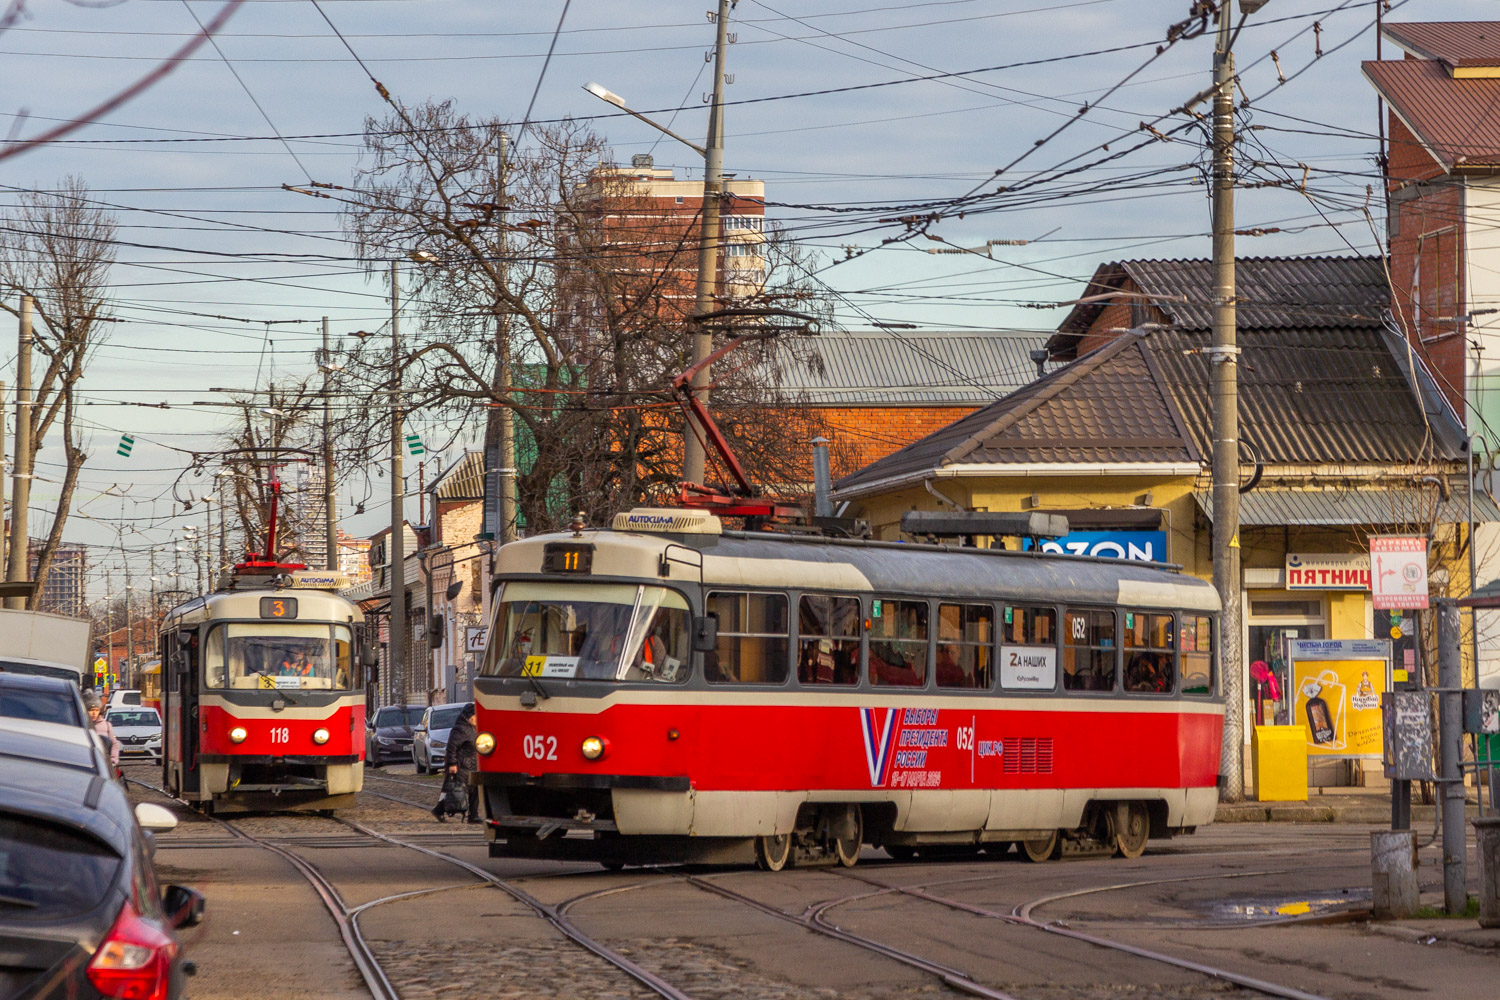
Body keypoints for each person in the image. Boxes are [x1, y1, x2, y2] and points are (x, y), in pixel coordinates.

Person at [434, 703, 480, 823]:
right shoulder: (460, 729)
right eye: (475, 716)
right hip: (461, 766)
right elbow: (451, 747)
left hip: (471, 765)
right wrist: (452, 764)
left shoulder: (471, 729)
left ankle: (473, 815)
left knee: (472, 790)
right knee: (457, 790)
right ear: (469, 716)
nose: (477, 719)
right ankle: (440, 810)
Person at [84, 690, 121, 775]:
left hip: (104, 764)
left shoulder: (106, 725)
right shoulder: (81, 724)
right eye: (91, 710)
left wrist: (113, 759)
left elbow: (114, 744)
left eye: (96, 710)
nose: (94, 713)